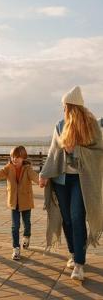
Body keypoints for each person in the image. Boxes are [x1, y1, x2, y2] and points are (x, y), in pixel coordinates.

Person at [39, 86, 103, 281]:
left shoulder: (91, 126)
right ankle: (73, 253)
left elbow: (99, 150)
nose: (63, 110)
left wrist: (79, 150)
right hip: (61, 179)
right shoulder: (60, 125)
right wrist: (44, 174)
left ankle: (80, 264)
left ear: (72, 106)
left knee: (77, 217)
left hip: (81, 180)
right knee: (66, 218)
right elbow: (53, 153)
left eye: (65, 106)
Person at [0, 146, 39, 260]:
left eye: (17, 157)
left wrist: (42, 181)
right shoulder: (8, 168)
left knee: (26, 223)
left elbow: (35, 177)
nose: (14, 159)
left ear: (23, 157)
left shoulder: (27, 169)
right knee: (15, 226)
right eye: (13, 157)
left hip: (25, 201)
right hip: (14, 202)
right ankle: (16, 249)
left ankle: (26, 237)